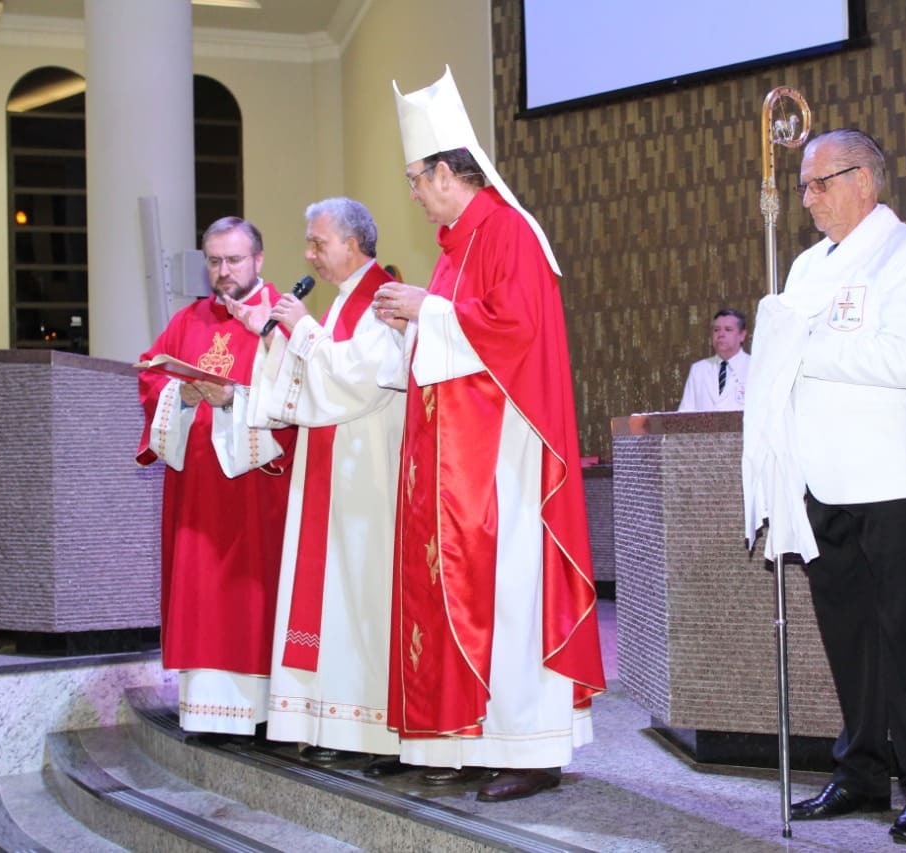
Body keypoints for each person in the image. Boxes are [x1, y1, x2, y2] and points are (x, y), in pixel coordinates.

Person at [371, 66, 605, 802]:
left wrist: (430, 312)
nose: (413, 192)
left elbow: (516, 331)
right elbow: (454, 340)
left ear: (447, 172)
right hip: (462, 458)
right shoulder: (454, 247)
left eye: (416, 179)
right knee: (477, 598)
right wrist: (414, 321)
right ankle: (481, 738)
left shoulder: (509, 232)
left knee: (512, 597)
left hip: (505, 456)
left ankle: (531, 749)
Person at [741, 129, 906, 843]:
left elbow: (905, 358)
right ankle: (861, 770)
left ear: (864, 179)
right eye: (803, 185)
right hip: (821, 481)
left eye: (819, 183)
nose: (806, 198)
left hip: (890, 480)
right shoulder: (806, 267)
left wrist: (805, 346)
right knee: (850, 638)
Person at [230, 197, 411, 776]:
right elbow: (315, 373)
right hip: (334, 472)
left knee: (366, 595)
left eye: (318, 243)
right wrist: (273, 339)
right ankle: (342, 723)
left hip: (370, 475)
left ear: (353, 244)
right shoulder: (338, 304)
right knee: (337, 600)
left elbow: (362, 380)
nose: (308, 254)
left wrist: (300, 331)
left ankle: (381, 728)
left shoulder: (382, 298)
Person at [136, 216, 295, 739]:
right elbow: (152, 375)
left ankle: (266, 711)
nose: (223, 271)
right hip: (198, 491)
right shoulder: (188, 320)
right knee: (201, 594)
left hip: (257, 490)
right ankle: (208, 711)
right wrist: (178, 394)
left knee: (253, 596)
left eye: (234, 260)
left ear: (258, 260)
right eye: (214, 261)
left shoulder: (282, 318)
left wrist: (235, 401)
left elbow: (301, 394)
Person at [677, 308, 750, 411]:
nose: (721, 334)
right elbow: (685, 413)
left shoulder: (756, 368)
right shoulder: (698, 369)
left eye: (728, 329)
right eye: (716, 330)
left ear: (742, 335)